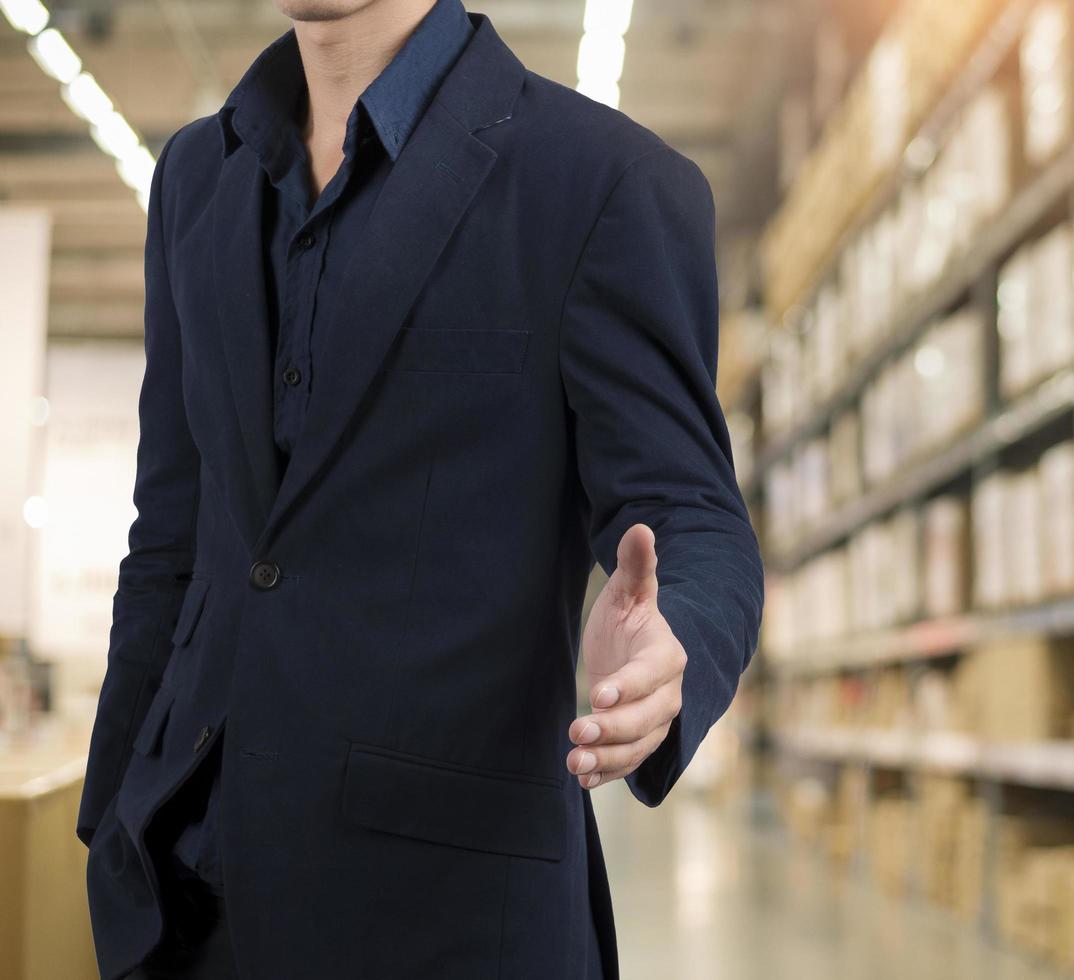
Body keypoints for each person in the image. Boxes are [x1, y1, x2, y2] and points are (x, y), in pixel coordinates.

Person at [74, 0, 764, 976]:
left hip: (444, 914)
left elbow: (695, 517)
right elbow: (171, 539)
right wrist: (110, 815)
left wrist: (675, 643)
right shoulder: (197, 177)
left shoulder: (603, 181)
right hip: (187, 904)